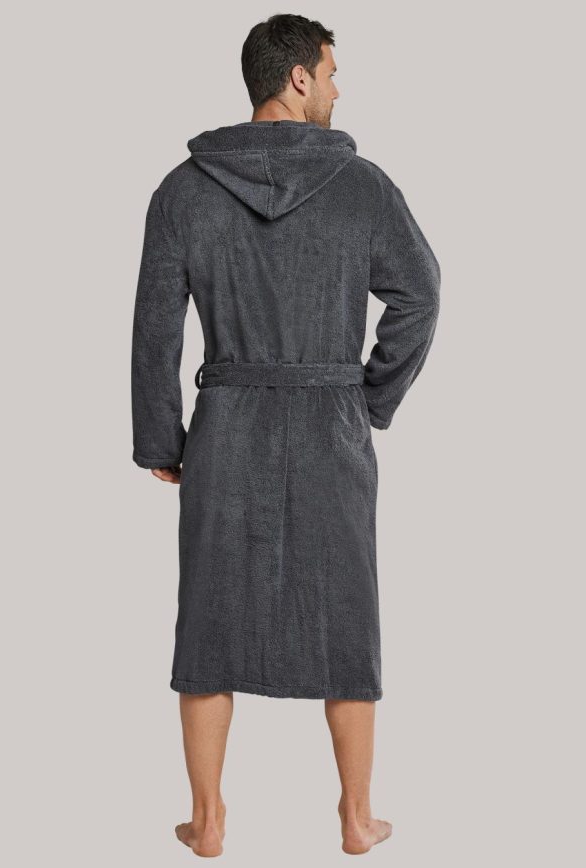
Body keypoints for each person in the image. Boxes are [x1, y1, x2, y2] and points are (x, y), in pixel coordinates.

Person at [131, 13, 440, 857]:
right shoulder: (362, 186)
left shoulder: (183, 190)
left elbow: (156, 328)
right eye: (332, 73)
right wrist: (370, 400)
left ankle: (207, 821)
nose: (338, 88)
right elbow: (421, 294)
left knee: (208, 624)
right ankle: (356, 819)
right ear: (297, 78)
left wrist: (161, 438)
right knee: (347, 617)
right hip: (331, 425)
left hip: (227, 428)